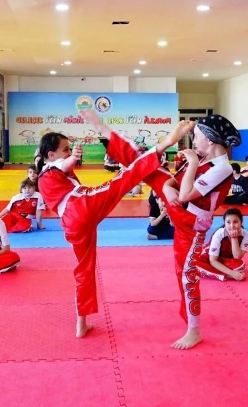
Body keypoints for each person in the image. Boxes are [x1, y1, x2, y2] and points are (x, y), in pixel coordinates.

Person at [37, 109, 185, 338]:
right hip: (80, 207)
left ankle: (81, 323)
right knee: (127, 177)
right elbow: (64, 165)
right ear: (51, 154)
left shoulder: (45, 176)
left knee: (83, 270)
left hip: (72, 224)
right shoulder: (51, 167)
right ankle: (166, 143)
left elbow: (64, 168)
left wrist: (71, 156)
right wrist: (73, 156)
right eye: (64, 149)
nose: (69, 151)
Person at [103, 113, 241, 350]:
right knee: (148, 168)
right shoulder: (202, 158)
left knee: (187, 276)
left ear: (210, 139)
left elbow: (185, 194)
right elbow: (174, 183)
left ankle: (193, 330)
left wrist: (192, 164)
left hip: (192, 226)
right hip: (179, 215)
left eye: (196, 136)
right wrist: (167, 190)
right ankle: (109, 137)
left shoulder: (222, 168)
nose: (193, 141)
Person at [195, 208, 248, 281]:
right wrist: (231, 273)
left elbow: (237, 257)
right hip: (209, 258)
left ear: (241, 222)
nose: (232, 226)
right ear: (224, 223)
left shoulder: (245, 234)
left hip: (224, 260)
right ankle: (226, 275)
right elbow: (213, 261)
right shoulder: (219, 234)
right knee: (193, 264)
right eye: (228, 222)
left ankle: (218, 272)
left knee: (240, 265)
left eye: (235, 222)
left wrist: (234, 238)